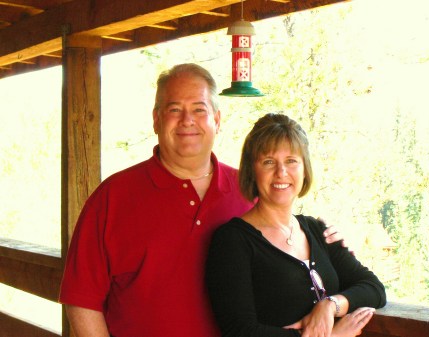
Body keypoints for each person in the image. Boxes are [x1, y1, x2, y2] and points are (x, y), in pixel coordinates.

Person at [59, 64, 347, 337]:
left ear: (217, 120)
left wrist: (331, 245)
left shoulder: (249, 190)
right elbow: (81, 299)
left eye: (199, 109)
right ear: (156, 119)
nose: (188, 120)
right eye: (175, 110)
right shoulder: (113, 198)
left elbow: (292, 243)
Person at [205, 113, 387, 337]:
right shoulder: (232, 241)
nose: (281, 172)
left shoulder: (317, 231)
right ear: (252, 170)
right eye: (269, 162)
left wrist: (330, 305)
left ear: (304, 168)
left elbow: (374, 288)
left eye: (291, 161)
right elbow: (240, 331)